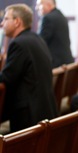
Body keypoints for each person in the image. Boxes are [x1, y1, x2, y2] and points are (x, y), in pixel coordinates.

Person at [0, 4, 58, 132]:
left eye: (6, 19)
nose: (2, 23)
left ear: (17, 22)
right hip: (43, 108)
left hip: (29, 115)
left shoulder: (18, 43)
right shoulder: (36, 39)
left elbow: (6, 78)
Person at [35, 0, 74, 68]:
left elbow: (40, 43)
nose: (36, 8)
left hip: (55, 64)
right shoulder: (61, 16)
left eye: (39, 4)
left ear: (49, 4)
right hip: (66, 62)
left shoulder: (47, 18)